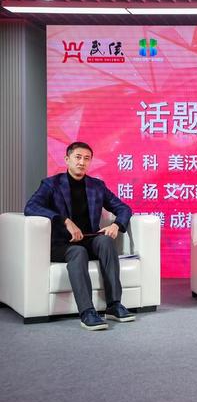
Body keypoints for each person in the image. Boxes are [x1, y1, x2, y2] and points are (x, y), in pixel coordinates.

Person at [24, 141, 134, 330]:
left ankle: (114, 305)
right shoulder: (51, 184)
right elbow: (31, 207)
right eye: (78, 157)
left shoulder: (96, 186)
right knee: (78, 252)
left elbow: (124, 208)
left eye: (86, 158)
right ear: (67, 159)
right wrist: (64, 221)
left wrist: (116, 225)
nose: (82, 162)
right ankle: (87, 312)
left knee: (106, 241)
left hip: (89, 239)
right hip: (62, 244)